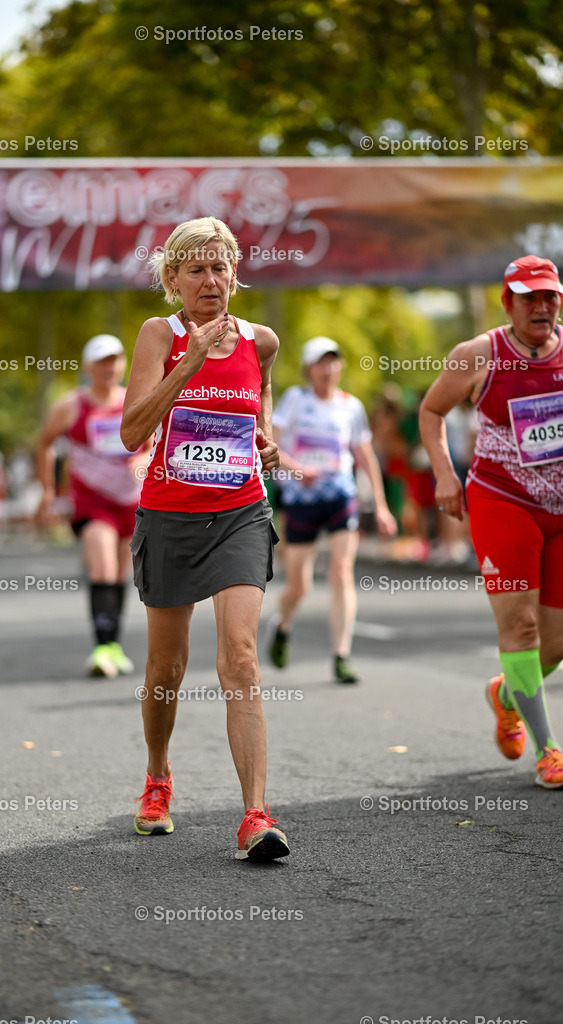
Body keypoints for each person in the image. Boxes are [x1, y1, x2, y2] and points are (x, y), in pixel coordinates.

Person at [121, 216, 289, 861]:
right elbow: (132, 432)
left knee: (241, 658)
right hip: (169, 516)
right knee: (166, 668)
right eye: (196, 269)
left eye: (221, 267)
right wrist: (188, 360)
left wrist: (265, 436)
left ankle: (255, 815)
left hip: (241, 513)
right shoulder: (157, 335)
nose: (210, 280)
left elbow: (261, 393)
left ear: (235, 275)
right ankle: (159, 776)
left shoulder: (261, 341)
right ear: (172, 278)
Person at [420, 255, 563, 788]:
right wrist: (445, 474)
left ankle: (505, 693)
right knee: (520, 626)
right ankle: (549, 748)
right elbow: (431, 411)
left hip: (561, 511)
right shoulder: (479, 355)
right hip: (502, 500)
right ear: (509, 303)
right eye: (530, 297)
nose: (542, 306)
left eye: (550, 296)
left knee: (556, 641)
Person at [268, 337, 397, 683]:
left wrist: (382, 507)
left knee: (342, 571)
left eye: (333, 362)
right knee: (300, 586)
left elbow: (365, 456)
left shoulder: (351, 406)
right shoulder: (295, 400)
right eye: (320, 363)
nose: (327, 370)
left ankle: (341, 655)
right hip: (301, 500)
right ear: (309, 369)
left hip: (341, 496)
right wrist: (297, 470)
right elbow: (270, 444)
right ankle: (282, 625)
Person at [37, 335, 150, 678]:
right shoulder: (71, 405)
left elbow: (152, 442)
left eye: (114, 360)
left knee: (119, 573)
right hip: (91, 502)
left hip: (129, 501)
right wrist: (46, 489)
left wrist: (141, 460)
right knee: (100, 565)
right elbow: (44, 443)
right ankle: (101, 647)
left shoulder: (136, 400)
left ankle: (112, 647)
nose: (109, 367)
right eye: (102, 361)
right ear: (88, 367)